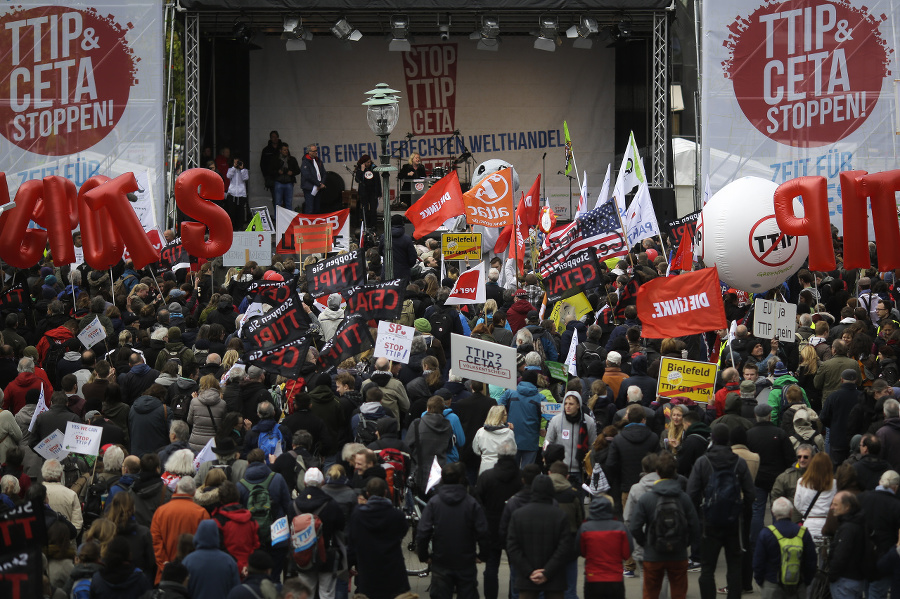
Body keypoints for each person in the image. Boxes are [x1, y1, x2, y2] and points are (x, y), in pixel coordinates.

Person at [687, 424, 755, 599]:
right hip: (733, 520)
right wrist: (743, 513)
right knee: (734, 566)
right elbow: (750, 492)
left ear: (713, 439)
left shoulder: (703, 461)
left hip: (709, 521)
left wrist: (698, 516)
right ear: (729, 441)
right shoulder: (738, 462)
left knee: (707, 567)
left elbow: (692, 492)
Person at [629, 451, 701, 599]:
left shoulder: (647, 499)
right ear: (675, 472)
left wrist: (646, 543)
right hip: (678, 554)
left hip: (653, 554)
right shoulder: (684, 498)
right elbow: (695, 526)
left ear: (657, 472)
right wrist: (685, 543)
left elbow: (635, 526)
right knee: (678, 592)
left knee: (650, 593)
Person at [416, 462, 489, 599]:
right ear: (461, 479)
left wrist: (424, 555)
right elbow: (483, 530)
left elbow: (423, 531)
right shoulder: (471, 502)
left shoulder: (434, 502)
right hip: (465, 559)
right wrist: (482, 555)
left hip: (441, 559)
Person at [506, 474, 573, 599]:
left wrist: (529, 571)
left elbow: (512, 546)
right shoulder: (560, 516)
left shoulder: (518, 515)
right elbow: (564, 547)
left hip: (527, 580)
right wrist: (547, 572)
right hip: (554, 579)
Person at [347, 477, 410, 599]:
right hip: (393, 572)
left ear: (367, 494)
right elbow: (402, 532)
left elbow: (352, 543)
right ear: (385, 492)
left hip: (368, 573)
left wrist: (349, 565)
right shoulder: (396, 516)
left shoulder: (358, 515)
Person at [474, 439, 522, 599]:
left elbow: (478, 500)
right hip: (515, 527)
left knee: (491, 565)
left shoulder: (487, 477)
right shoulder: (521, 479)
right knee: (515, 566)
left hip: (491, 526)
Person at [752, 497, 817, 598]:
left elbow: (758, 562)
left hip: (772, 583)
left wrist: (761, 581)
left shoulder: (766, 534)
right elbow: (811, 561)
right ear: (791, 512)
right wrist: (806, 582)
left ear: (773, 512)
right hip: (798, 585)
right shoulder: (803, 533)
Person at [150, 476, 210, 584]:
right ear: (194, 492)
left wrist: (165, 564)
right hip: (192, 575)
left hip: (165, 576)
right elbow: (205, 544)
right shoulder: (202, 513)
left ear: (176, 488)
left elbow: (155, 542)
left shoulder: (161, 512)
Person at [576, 494, 634, 599]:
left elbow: (582, 552)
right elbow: (627, 553)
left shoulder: (585, 528)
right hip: (615, 578)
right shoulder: (620, 528)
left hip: (593, 578)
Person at [860, 470, 900, 599]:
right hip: (884, 557)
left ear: (879, 482)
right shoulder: (896, 505)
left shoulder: (862, 498)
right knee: (877, 593)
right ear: (896, 487)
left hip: (863, 555)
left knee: (866, 591)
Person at [544, 391, 596, 485]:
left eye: (571, 404)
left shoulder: (588, 422)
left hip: (580, 470)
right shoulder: (556, 420)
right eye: (566, 403)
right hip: (560, 469)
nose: (567, 406)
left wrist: (590, 467)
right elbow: (548, 442)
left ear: (578, 405)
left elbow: (592, 446)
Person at [182, 519, 241, 599]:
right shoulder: (229, 561)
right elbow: (236, 591)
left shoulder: (188, 561)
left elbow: (183, 591)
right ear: (216, 535)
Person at [827, 491, 868, 599]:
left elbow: (841, 554)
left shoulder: (847, 528)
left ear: (847, 507)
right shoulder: (859, 524)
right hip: (857, 579)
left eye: (835, 504)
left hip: (844, 580)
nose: (832, 507)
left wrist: (832, 575)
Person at [821, 369, 863, 465]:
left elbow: (823, 417)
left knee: (836, 467)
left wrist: (834, 425)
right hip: (856, 439)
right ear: (856, 380)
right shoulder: (862, 397)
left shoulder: (834, 396)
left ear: (842, 380)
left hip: (837, 438)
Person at [792, 452, 836, 540]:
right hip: (827, 523)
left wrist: (805, 512)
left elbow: (797, 503)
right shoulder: (834, 483)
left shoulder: (802, 482)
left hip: (809, 523)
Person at [471, 405, 517, 475]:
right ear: (501, 417)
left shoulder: (481, 431)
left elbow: (476, 450)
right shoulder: (509, 433)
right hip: (503, 469)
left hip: (485, 467)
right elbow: (513, 451)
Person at [271, 143, 301, 210]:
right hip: (279, 182)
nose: (286, 151)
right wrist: (278, 172)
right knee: (278, 203)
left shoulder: (292, 159)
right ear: (280, 150)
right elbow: (270, 170)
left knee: (289, 203)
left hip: (289, 182)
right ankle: (278, 219)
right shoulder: (275, 159)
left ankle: (289, 220)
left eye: (287, 150)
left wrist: (292, 172)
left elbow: (298, 170)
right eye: (284, 150)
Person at [354, 154, 381, 227]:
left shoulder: (374, 168)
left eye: (369, 162)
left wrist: (379, 193)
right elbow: (357, 180)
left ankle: (373, 226)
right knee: (364, 209)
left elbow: (378, 181)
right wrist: (362, 171)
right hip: (364, 192)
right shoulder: (360, 169)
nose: (368, 164)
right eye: (367, 162)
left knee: (373, 210)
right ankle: (365, 225)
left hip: (372, 192)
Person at [300, 143, 326, 214]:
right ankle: (308, 224)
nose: (316, 152)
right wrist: (318, 184)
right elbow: (307, 175)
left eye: (316, 150)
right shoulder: (305, 162)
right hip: (310, 188)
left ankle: (315, 224)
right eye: (314, 151)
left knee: (317, 209)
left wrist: (322, 183)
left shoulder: (318, 160)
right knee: (310, 208)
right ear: (309, 152)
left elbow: (324, 173)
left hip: (318, 188)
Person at [226, 157, 250, 230]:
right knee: (232, 212)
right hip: (232, 193)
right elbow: (228, 176)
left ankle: (240, 226)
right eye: (236, 162)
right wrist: (234, 167)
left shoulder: (244, 170)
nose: (237, 164)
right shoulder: (231, 169)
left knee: (240, 212)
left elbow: (245, 178)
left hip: (241, 194)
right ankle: (232, 227)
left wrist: (242, 169)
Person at [259, 130, 282, 203]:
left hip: (282, 177)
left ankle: (283, 214)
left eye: (276, 137)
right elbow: (262, 164)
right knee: (275, 198)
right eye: (273, 137)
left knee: (284, 198)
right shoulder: (266, 150)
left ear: (278, 138)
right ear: (270, 138)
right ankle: (276, 213)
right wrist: (266, 176)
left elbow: (289, 160)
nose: (274, 139)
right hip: (272, 177)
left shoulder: (283, 148)